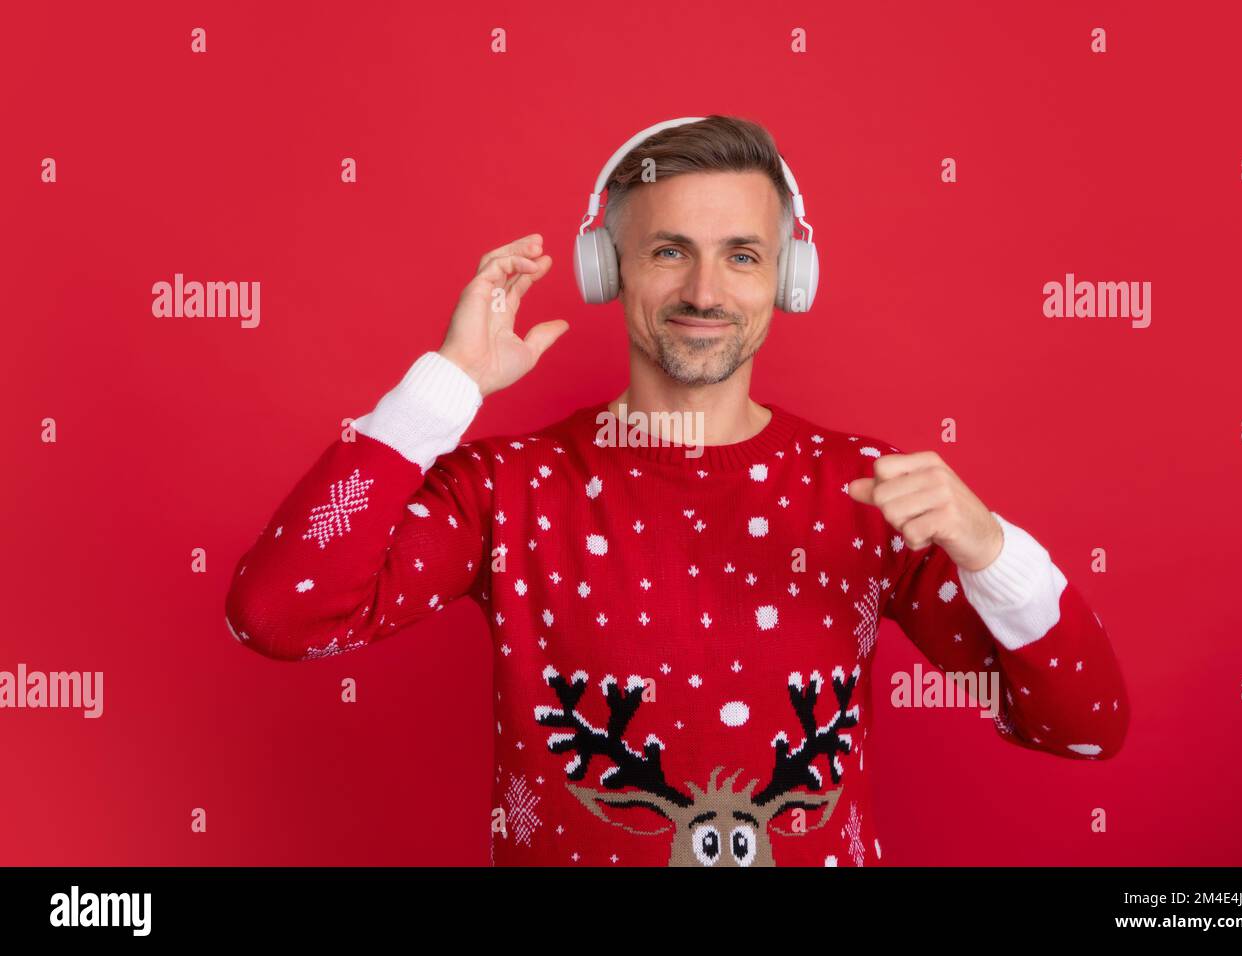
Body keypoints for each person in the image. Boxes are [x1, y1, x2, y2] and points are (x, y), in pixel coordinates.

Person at [225, 115, 1129, 867]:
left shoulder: (870, 492)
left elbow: (1085, 726)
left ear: (787, 277)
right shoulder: (512, 487)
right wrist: (446, 385)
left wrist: (992, 552)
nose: (705, 290)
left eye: (742, 255)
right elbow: (277, 613)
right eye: (669, 251)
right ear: (607, 269)